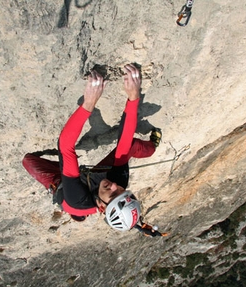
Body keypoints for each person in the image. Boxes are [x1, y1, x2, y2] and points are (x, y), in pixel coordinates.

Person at [22, 64, 162, 232]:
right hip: (92, 183)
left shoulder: (77, 199)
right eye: (122, 191)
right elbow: (125, 142)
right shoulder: (118, 182)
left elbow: (65, 146)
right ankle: (152, 147)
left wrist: (89, 103)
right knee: (131, 146)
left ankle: (70, 189)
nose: (115, 186)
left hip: (66, 190)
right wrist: (133, 98)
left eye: (112, 194)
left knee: (28, 160)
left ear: (102, 208)